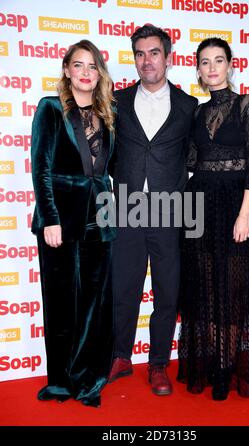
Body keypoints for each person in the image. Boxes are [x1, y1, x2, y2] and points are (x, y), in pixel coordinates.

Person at [177, 37, 249, 400]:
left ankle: (226, 366)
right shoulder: (196, 113)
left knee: (232, 291)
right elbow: (188, 162)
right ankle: (217, 362)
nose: (212, 67)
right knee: (206, 290)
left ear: (231, 66)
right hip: (200, 205)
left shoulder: (247, 105)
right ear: (199, 70)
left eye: (219, 60)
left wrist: (244, 215)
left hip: (237, 205)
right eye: (205, 62)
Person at [108, 25, 198, 395]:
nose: (147, 60)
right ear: (135, 59)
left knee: (167, 289)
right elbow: (107, 154)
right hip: (126, 206)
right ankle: (120, 356)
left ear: (168, 57)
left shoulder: (189, 106)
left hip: (171, 208)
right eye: (140, 54)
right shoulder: (115, 101)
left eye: (154, 53)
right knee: (123, 286)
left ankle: (158, 363)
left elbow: (194, 158)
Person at [31, 39, 116, 407]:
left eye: (92, 66)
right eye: (78, 65)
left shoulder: (109, 114)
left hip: (101, 217)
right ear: (67, 70)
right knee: (62, 302)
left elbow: (110, 171)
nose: (85, 73)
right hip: (60, 220)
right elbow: (41, 168)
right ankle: (62, 382)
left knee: (96, 303)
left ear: (100, 74)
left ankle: (88, 380)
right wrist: (50, 219)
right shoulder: (51, 109)